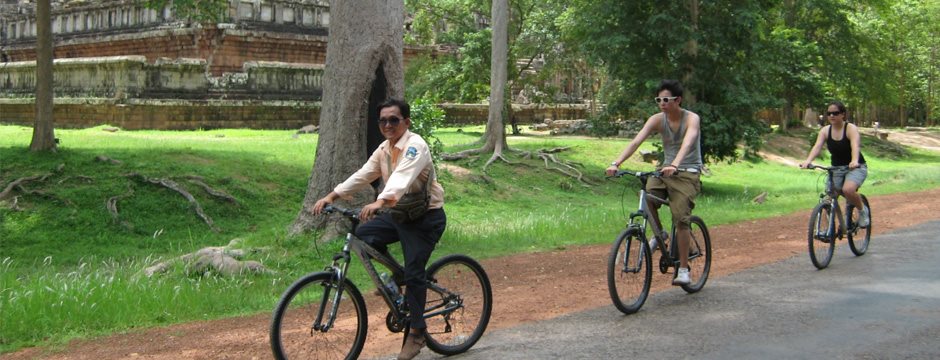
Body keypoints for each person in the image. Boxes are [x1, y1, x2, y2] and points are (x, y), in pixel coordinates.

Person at [310, 98, 446, 360]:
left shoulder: (415, 146)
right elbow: (364, 174)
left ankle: (417, 332)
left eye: (393, 120)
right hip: (400, 215)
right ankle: (399, 274)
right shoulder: (384, 149)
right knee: (364, 235)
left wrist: (380, 201)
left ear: (406, 122)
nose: (387, 125)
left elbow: (401, 178)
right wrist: (332, 196)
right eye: (383, 120)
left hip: (425, 219)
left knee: (416, 272)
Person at [605, 79, 703, 286]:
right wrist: (616, 163)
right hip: (665, 171)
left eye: (666, 99)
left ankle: (684, 269)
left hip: (687, 172)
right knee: (647, 195)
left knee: (681, 218)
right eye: (659, 99)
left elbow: (688, 142)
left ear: (677, 100)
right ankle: (661, 234)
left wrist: (675, 164)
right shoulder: (657, 119)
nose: (662, 103)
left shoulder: (692, 119)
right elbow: (636, 141)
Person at [799, 101, 869, 227]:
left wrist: (854, 161)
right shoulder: (825, 131)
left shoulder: (850, 128)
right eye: (829, 113)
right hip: (836, 168)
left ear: (843, 114)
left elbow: (855, 145)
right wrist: (808, 161)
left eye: (835, 113)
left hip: (855, 167)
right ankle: (828, 230)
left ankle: (862, 211)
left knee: (848, 190)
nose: (832, 116)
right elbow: (817, 146)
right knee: (829, 198)